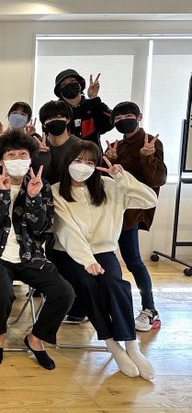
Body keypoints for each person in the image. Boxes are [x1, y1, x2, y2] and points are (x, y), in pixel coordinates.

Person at [51, 140, 157, 380]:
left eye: (90, 162)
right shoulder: (56, 191)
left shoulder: (110, 186)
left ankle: (131, 344)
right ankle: (111, 344)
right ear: (68, 162)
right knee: (87, 285)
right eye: (78, 161)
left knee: (114, 284)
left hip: (104, 251)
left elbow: (149, 200)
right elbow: (66, 229)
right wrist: (86, 260)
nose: (83, 167)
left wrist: (122, 177)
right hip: (68, 253)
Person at [0, 131, 74, 370]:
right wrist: (2, 194)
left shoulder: (40, 185)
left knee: (64, 293)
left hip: (30, 255)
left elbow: (42, 228)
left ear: (30, 158)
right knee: (2, 294)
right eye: (11, 155)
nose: (17, 159)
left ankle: (36, 337)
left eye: (22, 154)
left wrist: (33, 198)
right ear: (1, 160)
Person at [104, 101, 166, 332]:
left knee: (133, 261)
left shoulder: (151, 143)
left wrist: (146, 157)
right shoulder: (116, 146)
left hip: (132, 212)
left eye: (128, 116)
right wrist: (109, 159)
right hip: (112, 211)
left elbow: (157, 180)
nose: (123, 120)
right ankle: (101, 305)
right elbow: (109, 178)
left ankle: (150, 309)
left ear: (139, 117)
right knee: (105, 258)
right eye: (118, 118)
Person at [54, 69, 112, 148]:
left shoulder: (93, 104)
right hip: (65, 155)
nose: (69, 85)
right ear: (59, 91)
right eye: (64, 84)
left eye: (73, 81)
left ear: (80, 85)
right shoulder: (55, 112)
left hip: (92, 154)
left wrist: (94, 98)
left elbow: (106, 125)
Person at [36, 100, 82, 185]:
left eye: (59, 117)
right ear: (44, 124)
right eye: (49, 118)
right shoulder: (36, 145)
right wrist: (40, 156)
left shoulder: (79, 146)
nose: (54, 120)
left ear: (68, 119)